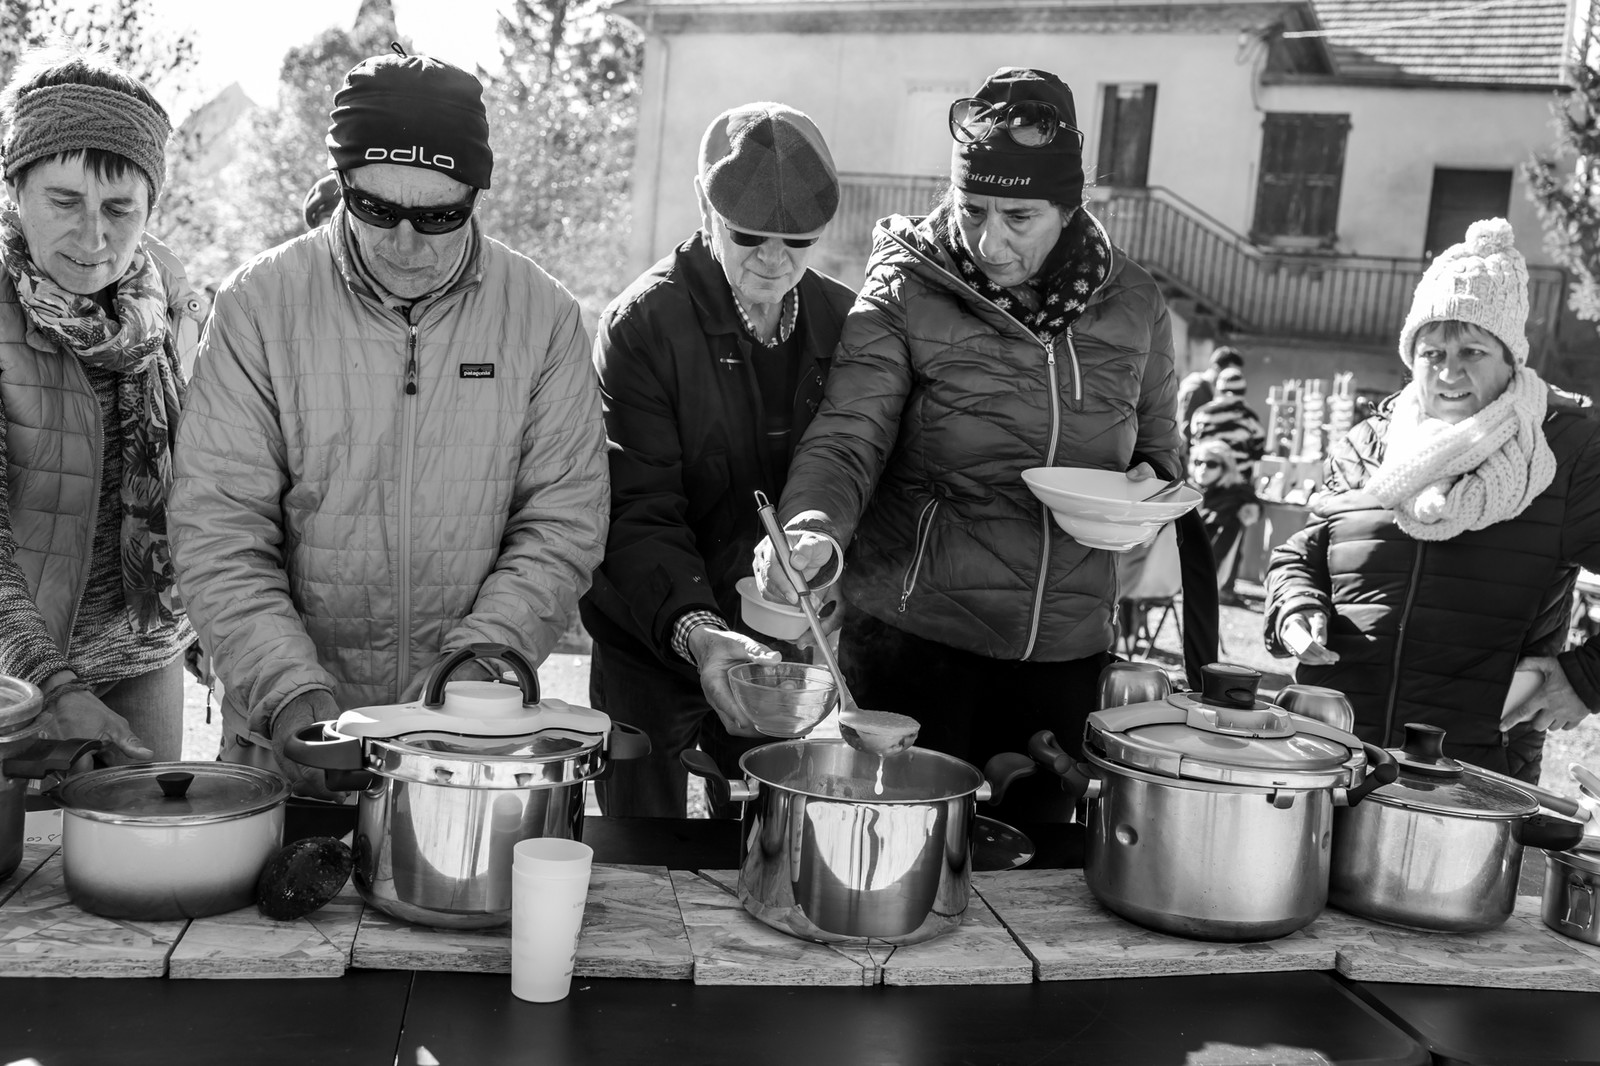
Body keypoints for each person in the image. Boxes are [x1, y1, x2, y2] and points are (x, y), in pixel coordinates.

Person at [752, 67, 1208, 821]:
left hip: (1065, 646)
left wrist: (1143, 497)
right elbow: (846, 436)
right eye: (973, 209)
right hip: (918, 639)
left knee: (1037, 878)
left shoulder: (1134, 303)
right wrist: (811, 528)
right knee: (897, 862)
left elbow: (1159, 450)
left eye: (1019, 217)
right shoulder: (907, 287)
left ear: (1068, 207)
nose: (989, 241)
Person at [169, 50, 609, 795]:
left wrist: (489, 659)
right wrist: (284, 687)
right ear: (340, 185)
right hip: (286, 740)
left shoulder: (544, 317)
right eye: (376, 209)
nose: (405, 244)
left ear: (476, 193)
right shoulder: (258, 305)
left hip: (467, 743)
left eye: (439, 217)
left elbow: (562, 519)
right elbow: (219, 524)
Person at [578, 103, 854, 818]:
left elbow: (858, 467)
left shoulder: (842, 321)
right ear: (706, 206)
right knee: (645, 847)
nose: (774, 259)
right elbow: (635, 507)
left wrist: (829, 568)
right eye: (748, 236)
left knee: (763, 834)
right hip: (651, 624)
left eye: (799, 241)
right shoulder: (643, 324)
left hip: (779, 635)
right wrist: (697, 630)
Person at [1264, 218, 1600, 782]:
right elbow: (1304, 551)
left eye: (1472, 350)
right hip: (1328, 758)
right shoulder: (1370, 442)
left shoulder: (1562, 450)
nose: (1449, 372)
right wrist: (1296, 604)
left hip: (1468, 776)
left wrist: (1587, 680)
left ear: (1511, 357)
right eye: (1431, 351)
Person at [0, 49, 205, 763]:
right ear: (15, 188)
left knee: (139, 865)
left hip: (147, 657)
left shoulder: (173, 307)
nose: (94, 238)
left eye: (121, 209)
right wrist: (52, 689)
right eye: (64, 203)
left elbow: (206, 492)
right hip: (14, 680)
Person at [1188, 438, 1260, 593]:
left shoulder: (1234, 498)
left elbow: (1214, 555)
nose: (1203, 468)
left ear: (1225, 468)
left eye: (1212, 464)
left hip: (1198, 573)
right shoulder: (1188, 490)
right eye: (1198, 462)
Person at [1188, 364, 1267, 483]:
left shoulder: (1201, 413)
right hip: (1239, 482)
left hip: (1204, 480)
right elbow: (1258, 453)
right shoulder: (1250, 417)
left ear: (1218, 388)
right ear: (1243, 391)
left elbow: (1194, 443)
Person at [1177, 344, 1244, 440]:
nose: (1231, 378)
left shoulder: (1213, 390)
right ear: (1216, 368)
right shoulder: (1197, 389)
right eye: (1228, 373)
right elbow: (1186, 431)